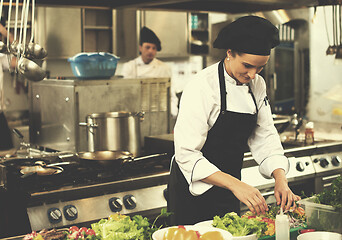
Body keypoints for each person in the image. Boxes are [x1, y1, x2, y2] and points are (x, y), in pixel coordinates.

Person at [167, 15, 301, 225]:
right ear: (229, 53)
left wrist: (280, 179)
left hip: (231, 188)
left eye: (260, 67)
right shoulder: (202, 86)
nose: (253, 74)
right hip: (194, 191)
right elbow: (186, 154)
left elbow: (265, 135)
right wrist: (235, 184)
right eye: (247, 65)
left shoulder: (257, 84)